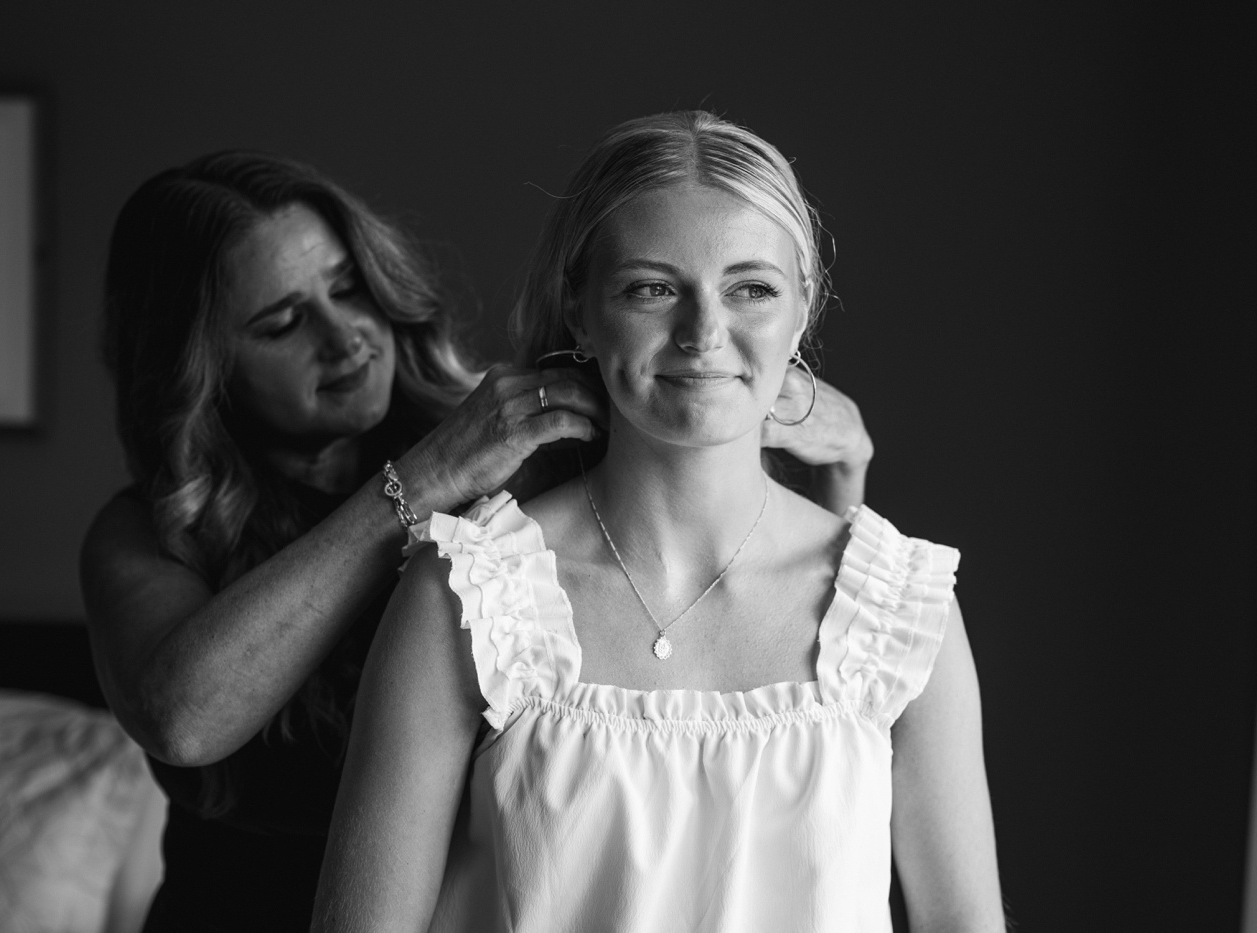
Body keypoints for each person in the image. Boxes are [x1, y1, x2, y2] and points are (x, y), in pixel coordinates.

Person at [79, 149, 875, 930]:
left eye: (348, 287)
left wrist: (832, 464)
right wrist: (418, 483)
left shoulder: (503, 446)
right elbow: (182, 719)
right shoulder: (149, 530)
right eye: (283, 322)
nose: (345, 335)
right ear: (199, 363)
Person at [312, 111, 1003, 933]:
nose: (704, 334)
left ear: (803, 308)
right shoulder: (467, 594)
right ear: (580, 308)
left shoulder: (899, 608)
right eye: (652, 288)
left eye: (752, 288)